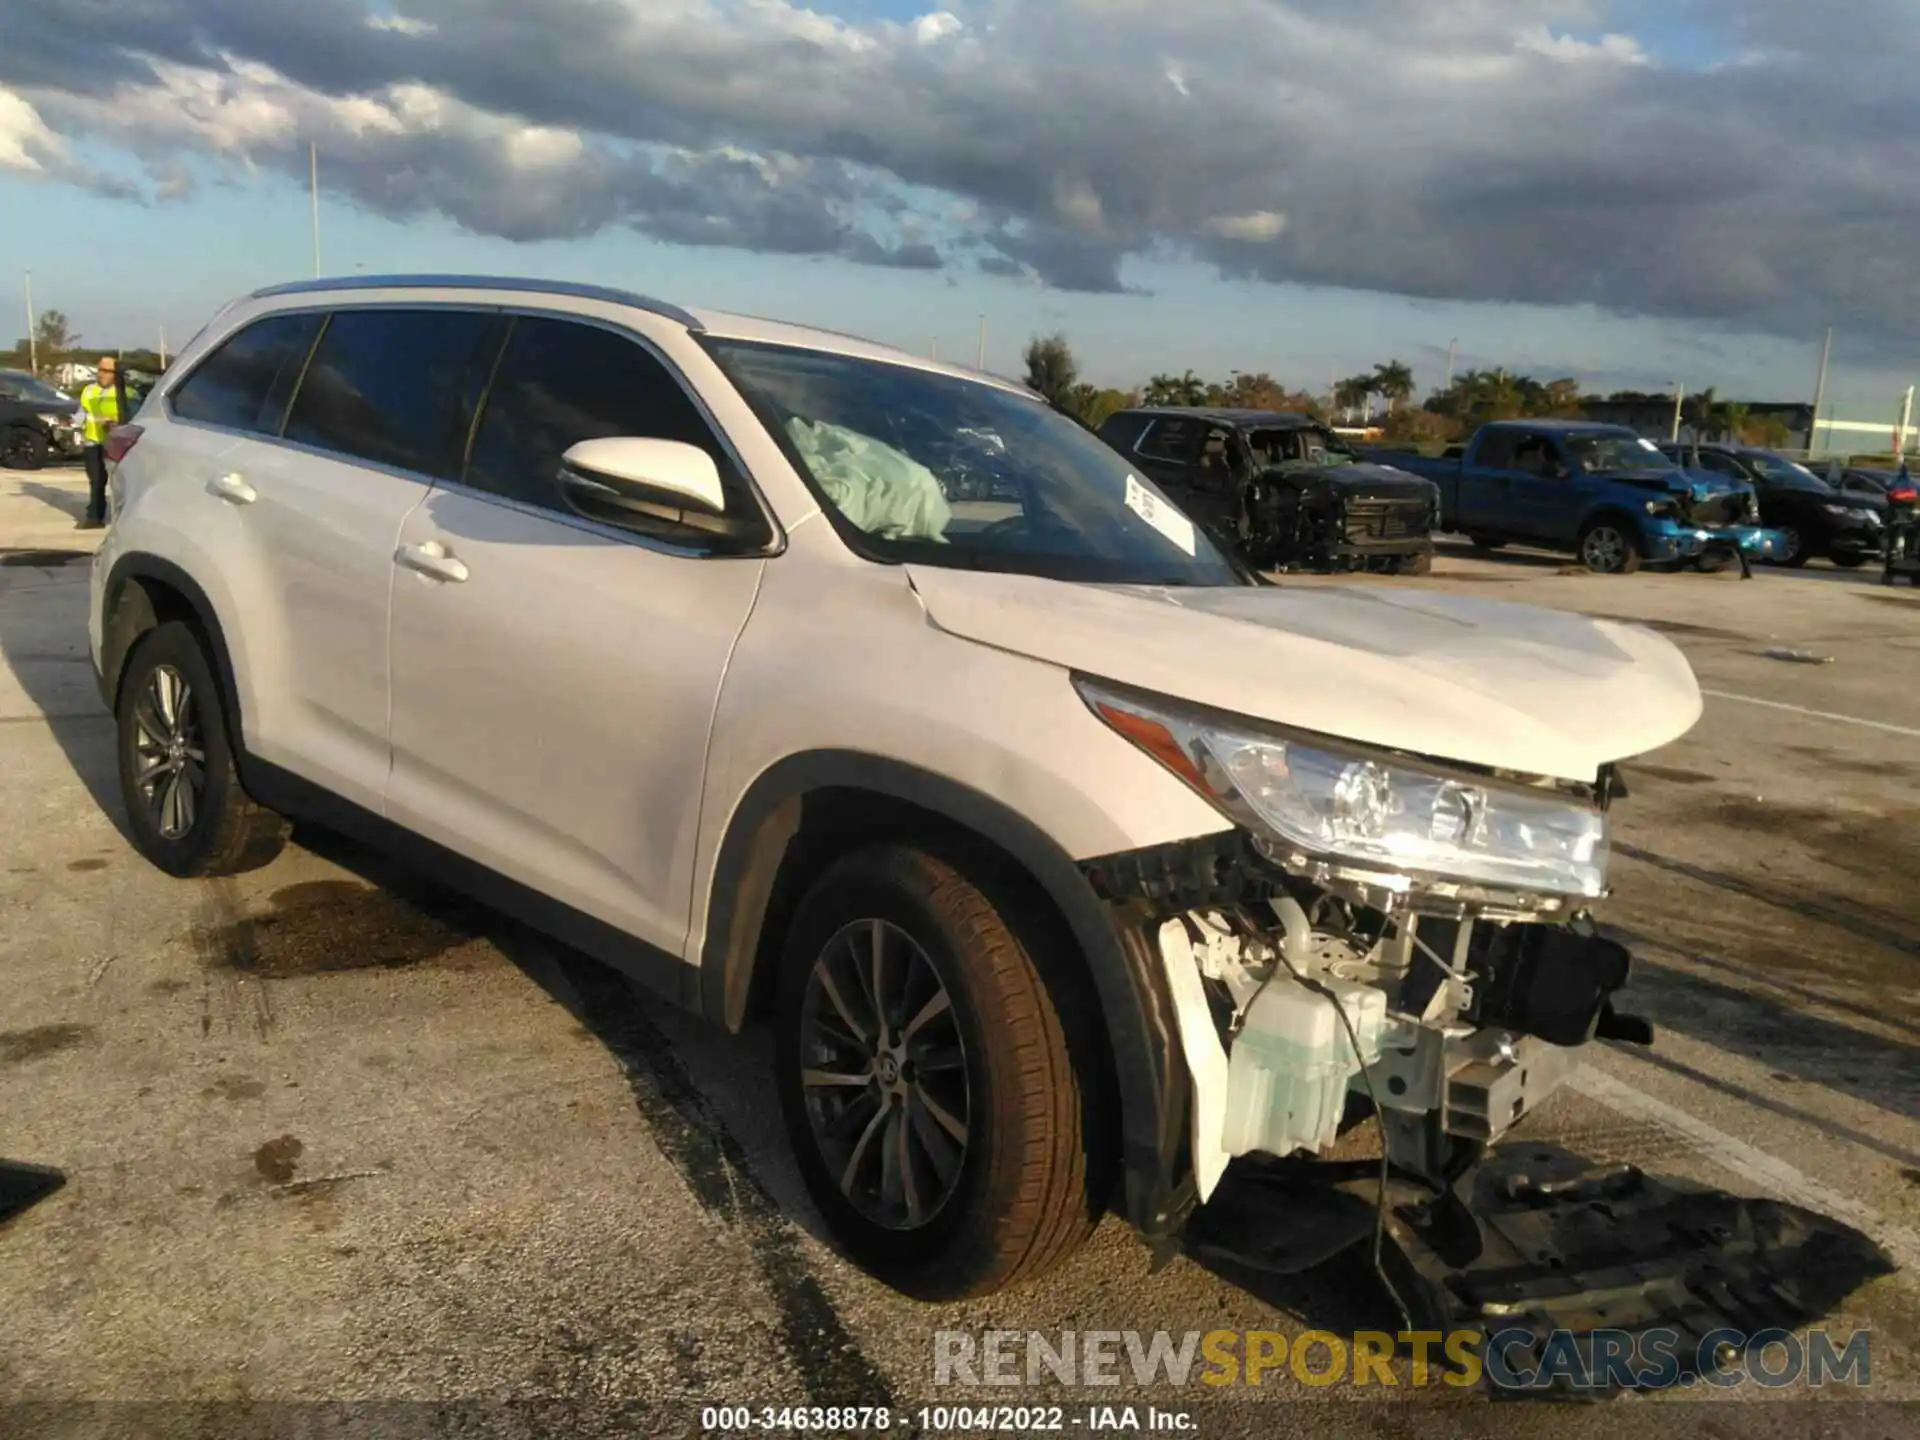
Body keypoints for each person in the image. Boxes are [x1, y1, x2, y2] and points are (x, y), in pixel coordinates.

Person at [77, 355, 123, 530]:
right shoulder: (88, 390)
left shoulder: (124, 393)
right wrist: (75, 421)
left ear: (115, 374)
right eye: (99, 370)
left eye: (106, 371)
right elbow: (81, 413)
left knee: (120, 482)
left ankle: (121, 519)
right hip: (92, 441)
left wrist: (116, 424)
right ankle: (94, 517)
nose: (101, 374)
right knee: (96, 480)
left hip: (116, 443)